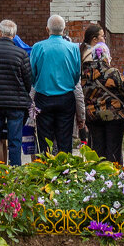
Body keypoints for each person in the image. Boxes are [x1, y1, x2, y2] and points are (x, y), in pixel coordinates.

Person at [0, 19, 33, 165]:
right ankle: (15, 173)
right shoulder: (21, 53)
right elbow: (28, 80)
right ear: (14, 34)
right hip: (16, 103)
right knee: (15, 140)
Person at [30, 14, 81, 155]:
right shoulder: (73, 48)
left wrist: (39, 83)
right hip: (66, 97)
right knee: (65, 138)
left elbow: (32, 74)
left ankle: (46, 170)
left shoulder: (38, 47)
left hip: (43, 97)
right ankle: (65, 171)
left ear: (47, 29)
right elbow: (77, 74)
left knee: (44, 139)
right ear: (64, 30)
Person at [81, 42, 124, 164]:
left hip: (93, 116)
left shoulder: (84, 74)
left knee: (97, 150)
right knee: (114, 150)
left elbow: (81, 93)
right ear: (106, 56)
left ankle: (97, 176)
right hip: (114, 116)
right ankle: (114, 178)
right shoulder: (113, 72)